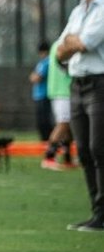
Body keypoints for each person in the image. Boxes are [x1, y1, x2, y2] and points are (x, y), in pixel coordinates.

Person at [55, 0, 104, 232]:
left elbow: (83, 43)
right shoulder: (78, 10)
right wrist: (71, 44)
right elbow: (60, 49)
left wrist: (72, 43)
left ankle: (103, 212)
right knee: (84, 149)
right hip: (77, 84)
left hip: (99, 83)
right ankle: (96, 211)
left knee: (100, 148)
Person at [41, 40, 75, 171]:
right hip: (63, 91)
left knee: (66, 126)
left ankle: (67, 158)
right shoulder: (65, 44)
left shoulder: (57, 44)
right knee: (63, 124)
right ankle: (49, 157)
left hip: (59, 91)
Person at [29, 41, 54, 142]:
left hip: (44, 95)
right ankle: (44, 140)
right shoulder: (41, 63)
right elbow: (32, 77)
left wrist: (34, 76)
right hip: (38, 95)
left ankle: (48, 140)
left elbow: (36, 77)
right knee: (40, 121)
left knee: (45, 121)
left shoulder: (47, 62)